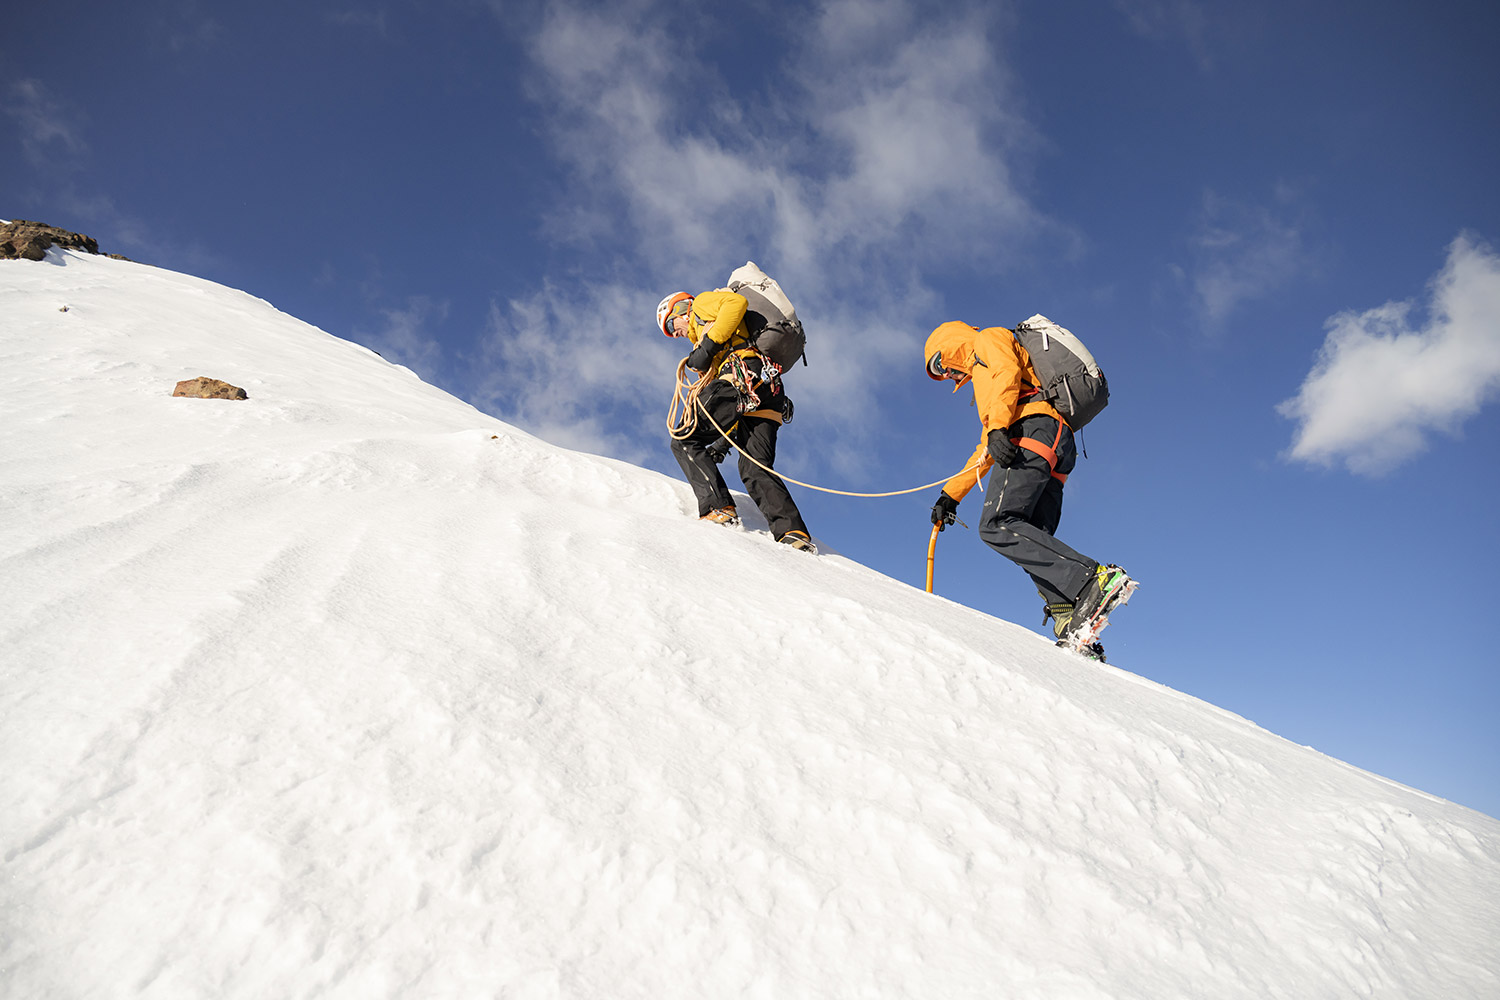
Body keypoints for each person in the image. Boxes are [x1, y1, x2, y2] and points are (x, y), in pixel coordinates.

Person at [923, 320, 1132, 651]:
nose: (946, 375)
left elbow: (1006, 372)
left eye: (939, 364)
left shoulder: (986, 340)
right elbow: (987, 447)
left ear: (949, 346)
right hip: (1056, 445)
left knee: (997, 524)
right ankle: (1070, 615)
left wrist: (998, 428)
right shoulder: (991, 390)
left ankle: (1094, 580)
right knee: (1031, 536)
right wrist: (951, 495)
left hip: (1033, 431)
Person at [657, 289, 814, 551]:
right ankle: (793, 532)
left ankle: (719, 508)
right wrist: (721, 442)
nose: (675, 334)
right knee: (754, 467)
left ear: (681, 309)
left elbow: (735, 302)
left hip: (741, 375)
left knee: (684, 437)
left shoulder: (701, 307)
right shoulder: (708, 341)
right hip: (766, 389)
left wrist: (708, 345)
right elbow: (729, 412)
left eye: (672, 325)